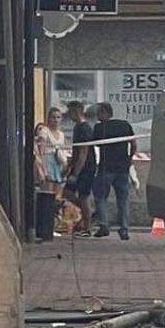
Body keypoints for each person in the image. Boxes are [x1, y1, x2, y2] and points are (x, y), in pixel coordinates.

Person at [92, 102, 136, 240]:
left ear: (105, 113)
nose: (97, 116)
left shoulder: (100, 128)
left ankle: (104, 226)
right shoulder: (125, 125)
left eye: (98, 113)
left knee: (100, 197)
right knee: (123, 200)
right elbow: (133, 144)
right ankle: (124, 229)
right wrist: (129, 158)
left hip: (106, 168)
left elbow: (96, 144)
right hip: (123, 168)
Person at [63, 101, 95, 236]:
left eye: (70, 112)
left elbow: (83, 152)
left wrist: (76, 173)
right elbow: (76, 151)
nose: (69, 115)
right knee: (67, 193)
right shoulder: (77, 127)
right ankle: (88, 213)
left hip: (85, 167)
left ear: (77, 111)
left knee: (83, 196)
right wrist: (69, 167)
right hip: (77, 166)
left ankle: (87, 227)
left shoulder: (84, 128)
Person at [33, 107, 69, 195]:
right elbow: (40, 151)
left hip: (58, 162)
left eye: (58, 117)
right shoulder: (45, 131)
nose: (56, 120)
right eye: (53, 117)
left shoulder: (61, 134)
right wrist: (42, 168)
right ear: (49, 118)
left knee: (58, 192)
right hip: (47, 161)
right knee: (48, 191)